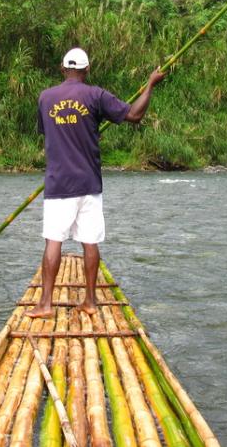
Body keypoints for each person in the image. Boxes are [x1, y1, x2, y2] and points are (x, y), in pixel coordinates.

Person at [26, 47, 165, 318]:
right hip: (89, 183)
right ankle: (90, 301)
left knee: (53, 241)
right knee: (90, 242)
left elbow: (50, 132)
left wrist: (81, 130)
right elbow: (134, 115)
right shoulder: (96, 95)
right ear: (87, 70)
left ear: (62, 68)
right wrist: (150, 84)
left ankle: (45, 305)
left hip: (59, 183)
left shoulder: (45, 98)